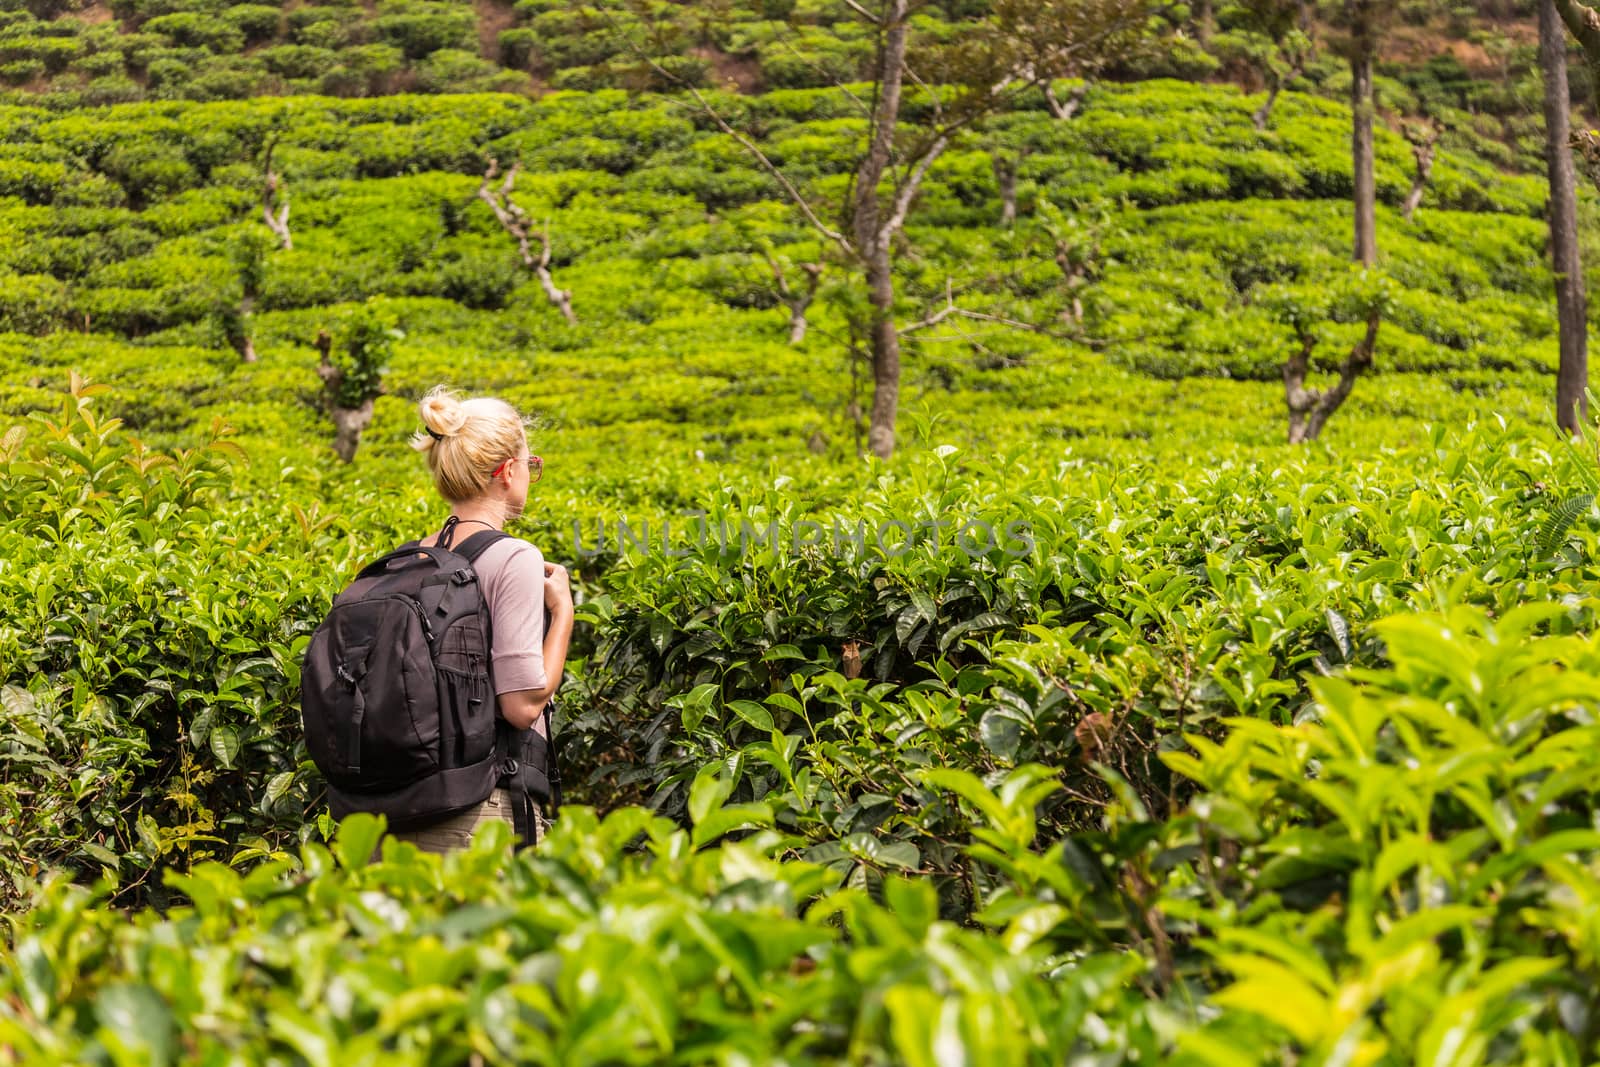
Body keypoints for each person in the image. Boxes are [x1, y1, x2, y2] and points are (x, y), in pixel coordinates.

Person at [384, 384, 574, 854]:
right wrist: (563, 611)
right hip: (478, 816)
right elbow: (522, 705)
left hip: (392, 816)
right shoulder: (514, 558)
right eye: (532, 464)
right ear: (508, 472)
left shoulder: (413, 557)